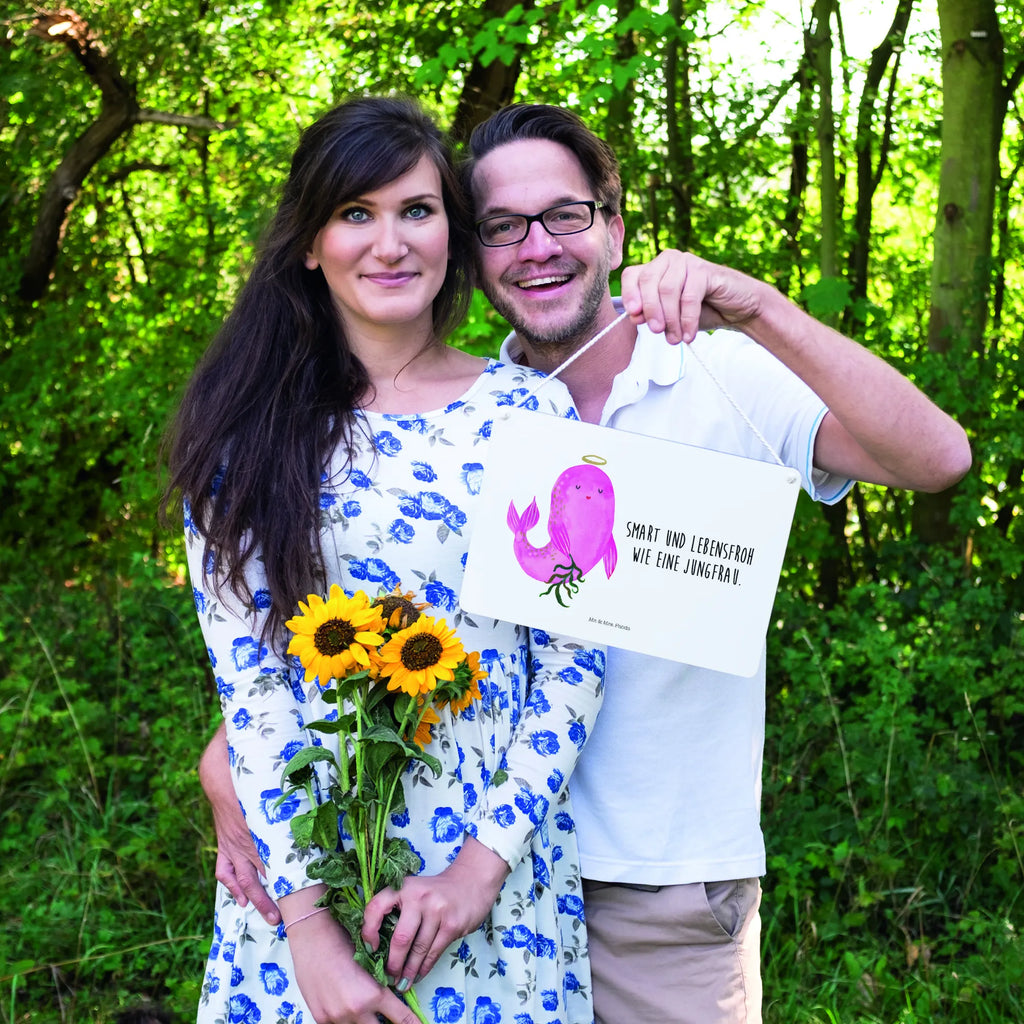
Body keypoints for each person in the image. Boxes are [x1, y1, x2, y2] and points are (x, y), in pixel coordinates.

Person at [201, 102, 972, 1024]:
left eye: (564, 215)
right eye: (502, 227)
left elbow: (938, 461)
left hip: (652, 889)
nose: (536, 247)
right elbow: (329, 633)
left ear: (612, 226)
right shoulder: (460, 416)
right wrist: (235, 770)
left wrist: (760, 306)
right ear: (474, 251)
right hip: (421, 876)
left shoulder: (713, 373)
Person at [164, 97, 608, 1024]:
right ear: (309, 244)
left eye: (416, 210)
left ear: (452, 228)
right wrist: (311, 936)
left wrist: (478, 873)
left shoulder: (533, 415)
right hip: (303, 888)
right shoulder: (245, 437)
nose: (390, 242)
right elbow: (252, 691)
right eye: (355, 214)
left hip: (492, 889)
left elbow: (575, 662)